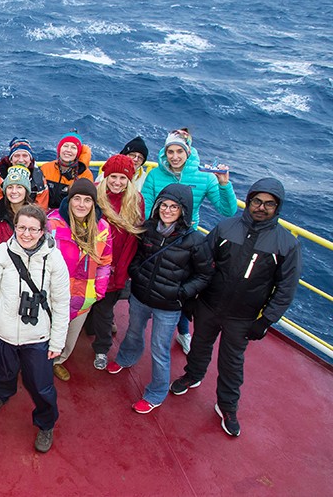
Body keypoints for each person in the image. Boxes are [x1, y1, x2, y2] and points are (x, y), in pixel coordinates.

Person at [170, 178, 302, 437]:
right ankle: (192, 376)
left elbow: (286, 288)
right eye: (257, 201)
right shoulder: (226, 228)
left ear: (277, 208)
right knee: (198, 346)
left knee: (232, 362)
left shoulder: (286, 244)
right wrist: (191, 299)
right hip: (209, 305)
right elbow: (202, 264)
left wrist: (266, 321)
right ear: (249, 201)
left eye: (269, 204)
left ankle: (227, 406)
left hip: (243, 317)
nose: (261, 208)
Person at [107, 184, 214, 414]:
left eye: (173, 207)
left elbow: (205, 274)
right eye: (164, 205)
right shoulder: (148, 229)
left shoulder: (194, 241)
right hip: (141, 296)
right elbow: (134, 255)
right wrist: (136, 273)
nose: (167, 210)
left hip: (168, 305)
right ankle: (126, 358)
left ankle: (156, 393)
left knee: (159, 348)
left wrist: (181, 292)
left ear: (183, 210)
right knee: (133, 332)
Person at [0, 205, 70, 453]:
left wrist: (57, 342)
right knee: (1, 371)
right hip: (3, 332)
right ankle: (1, 394)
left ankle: (46, 423)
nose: (26, 234)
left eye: (32, 229)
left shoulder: (54, 259)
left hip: (37, 336)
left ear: (42, 231)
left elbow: (61, 303)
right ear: (14, 227)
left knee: (41, 384)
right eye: (21, 228)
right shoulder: (1, 254)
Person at [141, 128, 237, 354]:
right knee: (149, 281)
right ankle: (138, 328)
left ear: (188, 151)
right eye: (170, 151)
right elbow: (145, 203)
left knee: (180, 290)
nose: (174, 157)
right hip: (156, 236)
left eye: (179, 151)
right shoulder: (155, 174)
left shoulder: (204, 177)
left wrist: (224, 184)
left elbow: (228, 210)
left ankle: (183, 332)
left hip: (186, 242)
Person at [48, 179, 112, 380]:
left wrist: (98, 291)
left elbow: (105, 261)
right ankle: (40, 363)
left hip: (84, 295)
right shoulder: (52, 223)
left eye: (87, 200)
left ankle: (59, 361)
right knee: (47, 331)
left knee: (70, 336)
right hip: (54, 294)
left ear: (94, 203)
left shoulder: (102, 228)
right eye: (77, 198)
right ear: (70, 199)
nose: (81, 204)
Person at [86, 155, 145, 369]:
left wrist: (120, 270)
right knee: (84, 306)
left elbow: (133, 242)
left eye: (122, 178)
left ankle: (102, 348)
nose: (117, 182)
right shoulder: (94, 193)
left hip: (117, 265)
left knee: (104, 310)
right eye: (113, 176)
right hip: (91, 262)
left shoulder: (136, 200)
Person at [0, 165, 37, 248]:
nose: (14, 191)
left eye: (19, 187)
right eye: (10, 187)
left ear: (26, 191)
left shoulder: (36, 215)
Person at [0, 138, 49, 211]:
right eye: (16, 156)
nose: (21, 160)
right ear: (11, 159)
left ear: (30, 159)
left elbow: (41, 210)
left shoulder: (39, 180)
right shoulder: (0, 178)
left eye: (25, 155)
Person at [40, 132, 94, 209]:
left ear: (78, 153)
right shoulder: (45, 168)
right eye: (65, 146)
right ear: (59, 149)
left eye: (73, 148)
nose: (68, 150)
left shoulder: (86, 175)